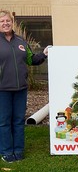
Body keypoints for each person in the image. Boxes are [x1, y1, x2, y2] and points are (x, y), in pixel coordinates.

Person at [0, 10, 49, 163]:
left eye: (7, 21)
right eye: (2, 21)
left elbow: (30, 59)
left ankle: (19, 150)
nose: (5, 23)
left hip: (21, 88)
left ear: (12, 22)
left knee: (18, 121)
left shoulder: (21, 41)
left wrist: (44, 54)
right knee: (4, 122)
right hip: (2, 90)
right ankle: (7, 151)